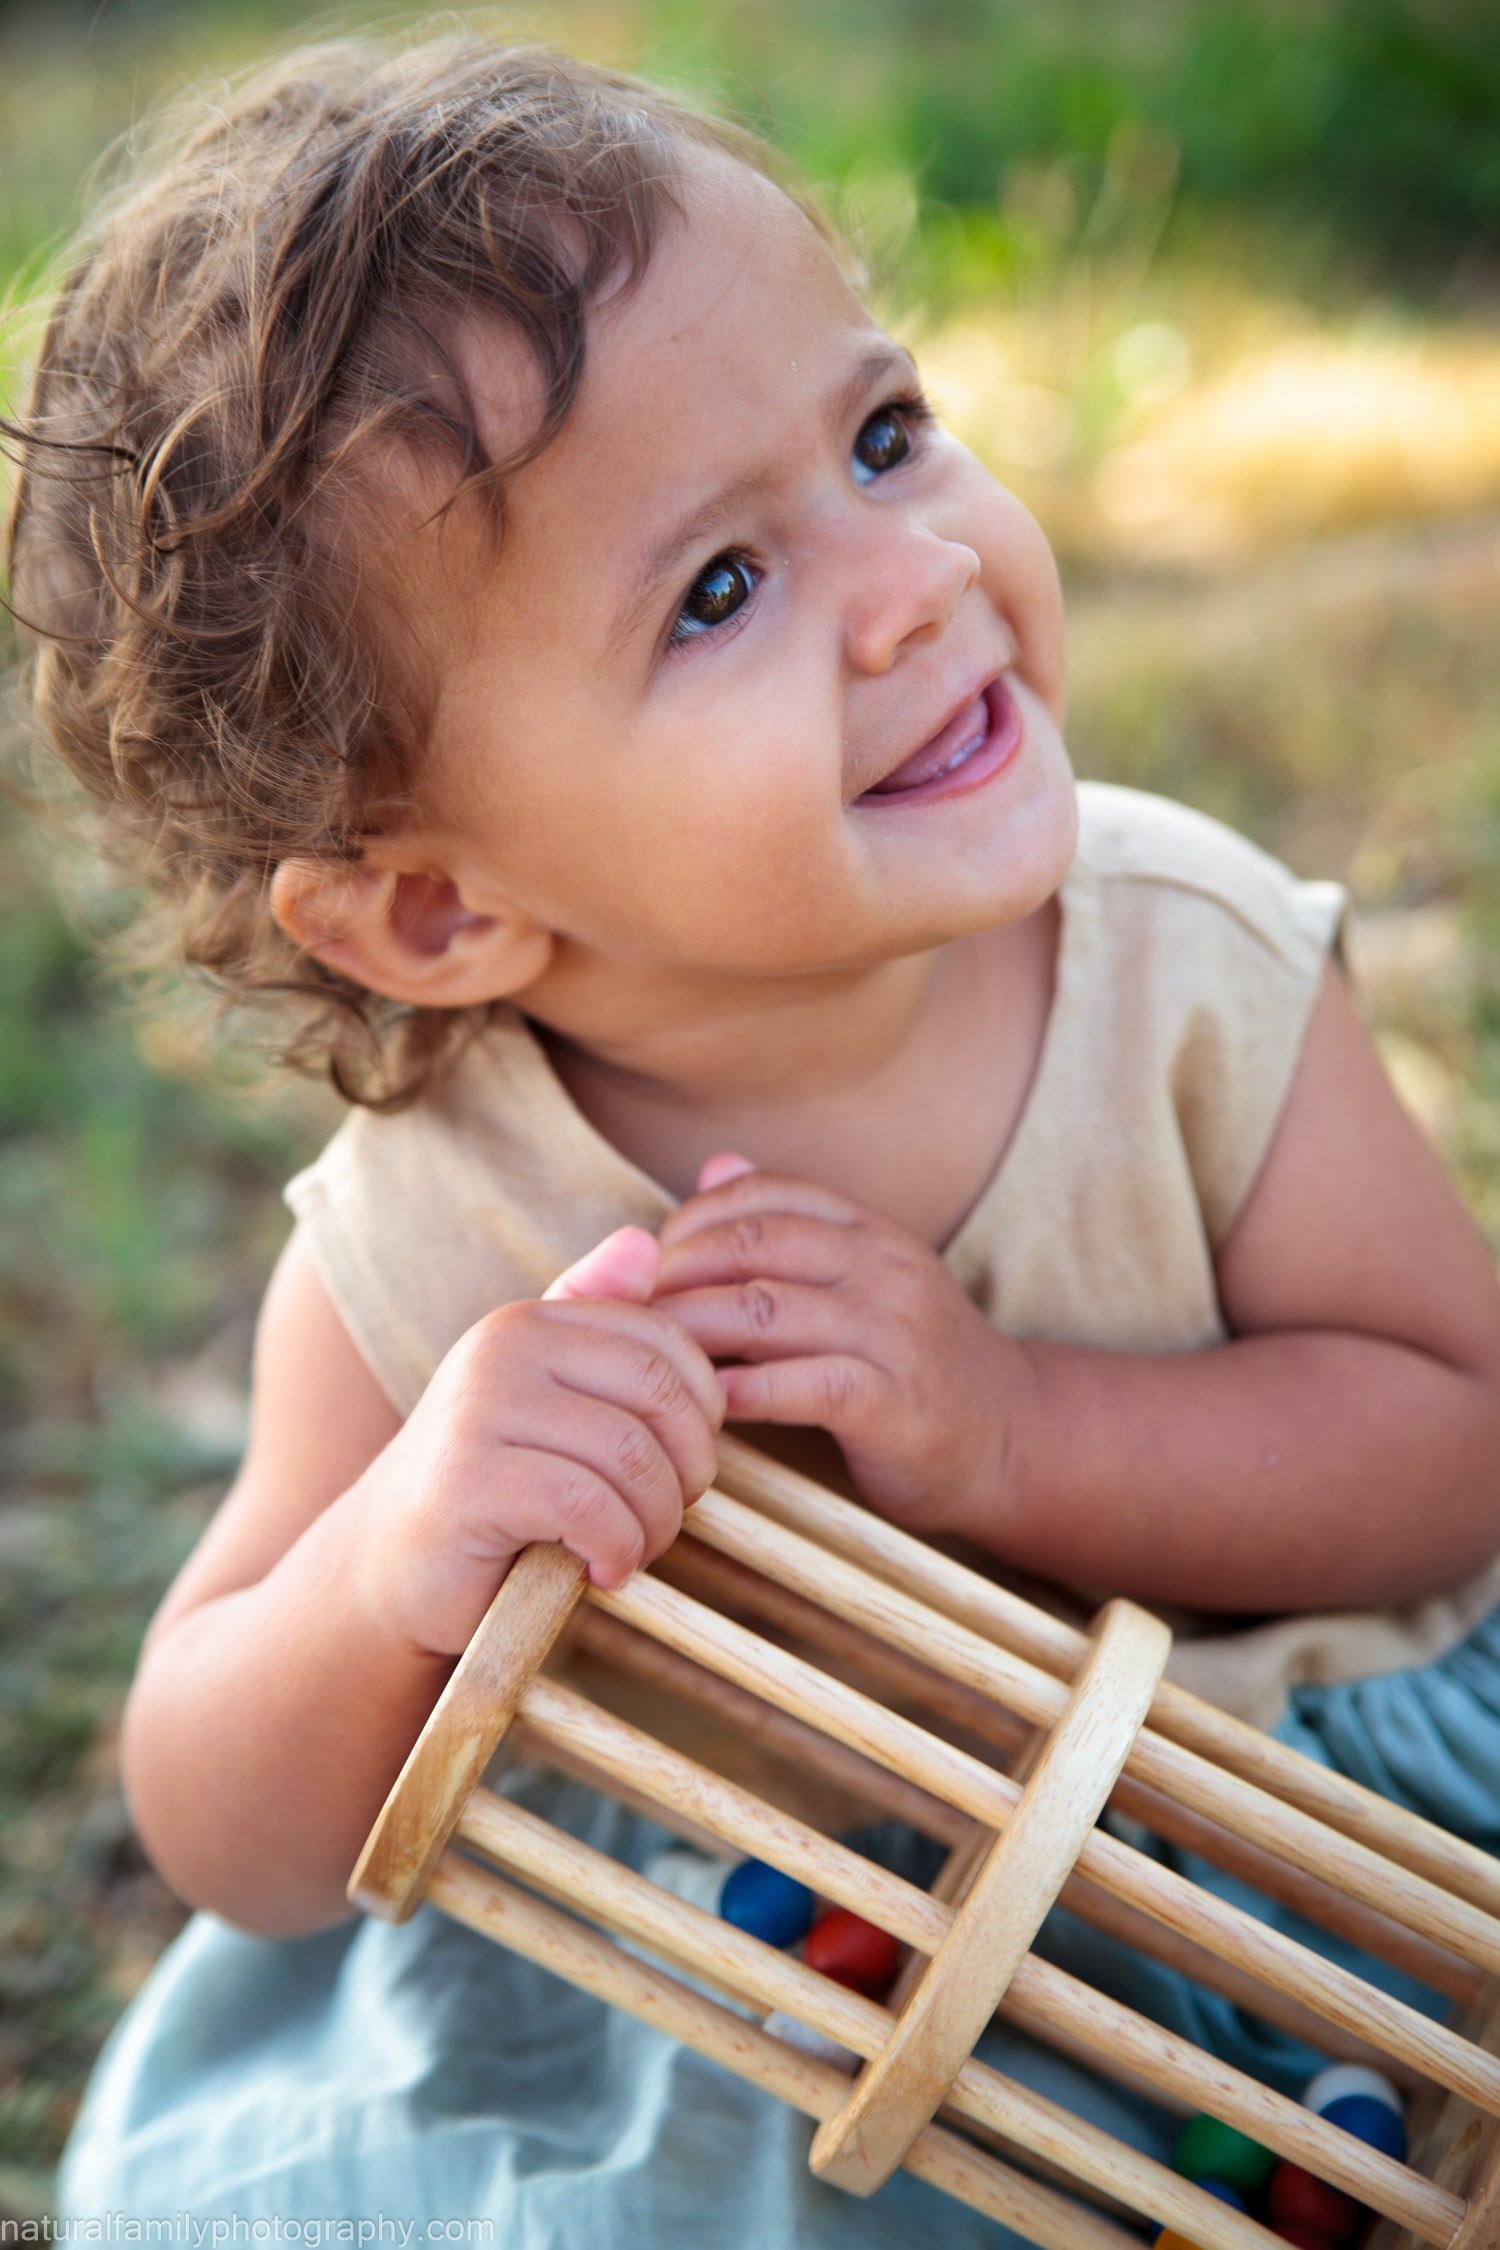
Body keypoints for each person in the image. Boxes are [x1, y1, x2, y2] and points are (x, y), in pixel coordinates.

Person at [8, 30, 1500, 2245]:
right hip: (781, 1979)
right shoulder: (443, 1233)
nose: (913, 579)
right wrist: (393, 1562)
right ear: (438, 908)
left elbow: (1454, 1441)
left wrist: (1013, 1435)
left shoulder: (1179, 968)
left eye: (886, 438)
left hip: (1294, 1843)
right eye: (719, 590)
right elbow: (224, 1828)